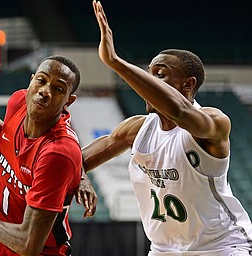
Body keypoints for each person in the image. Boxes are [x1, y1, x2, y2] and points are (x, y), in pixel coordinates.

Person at [80, 1, 252, 255]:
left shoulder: (214, 122)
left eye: (158, 75)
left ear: (187, 84)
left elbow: (180, 111)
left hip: (220, 246)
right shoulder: (136, 129)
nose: (149, 82)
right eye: (149, 74)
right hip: (164, 249)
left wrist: (116, 63)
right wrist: (81, 178)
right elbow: (74, 161)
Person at [0, 55, 96, 256]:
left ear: (69, 100)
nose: (45, 91)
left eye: (58, 89)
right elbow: (7, 138)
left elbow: (29, 245)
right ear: (31, 80)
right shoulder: (18, 102)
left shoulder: (57, 153)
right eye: (41, 80)